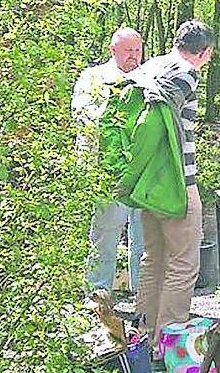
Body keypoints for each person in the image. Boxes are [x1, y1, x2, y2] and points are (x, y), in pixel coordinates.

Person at [130, 20, 215, 346]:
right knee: (183, 263)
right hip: (178, 183)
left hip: (148, 182)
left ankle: (144, 333)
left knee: (153, 258)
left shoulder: (149, 67)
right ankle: (168, 343)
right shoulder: (185, 74)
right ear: (204, 51)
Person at [72, 27, 146, 293]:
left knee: (145, 236)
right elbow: (83, 115)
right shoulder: (93, 78)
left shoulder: (150, 79)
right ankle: (97, 291)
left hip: (143, 171)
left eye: (137, 50)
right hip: (107, 170)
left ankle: (143, 295)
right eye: (128, 50)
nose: (133, 56)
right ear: (113, 50)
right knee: (105, 232)